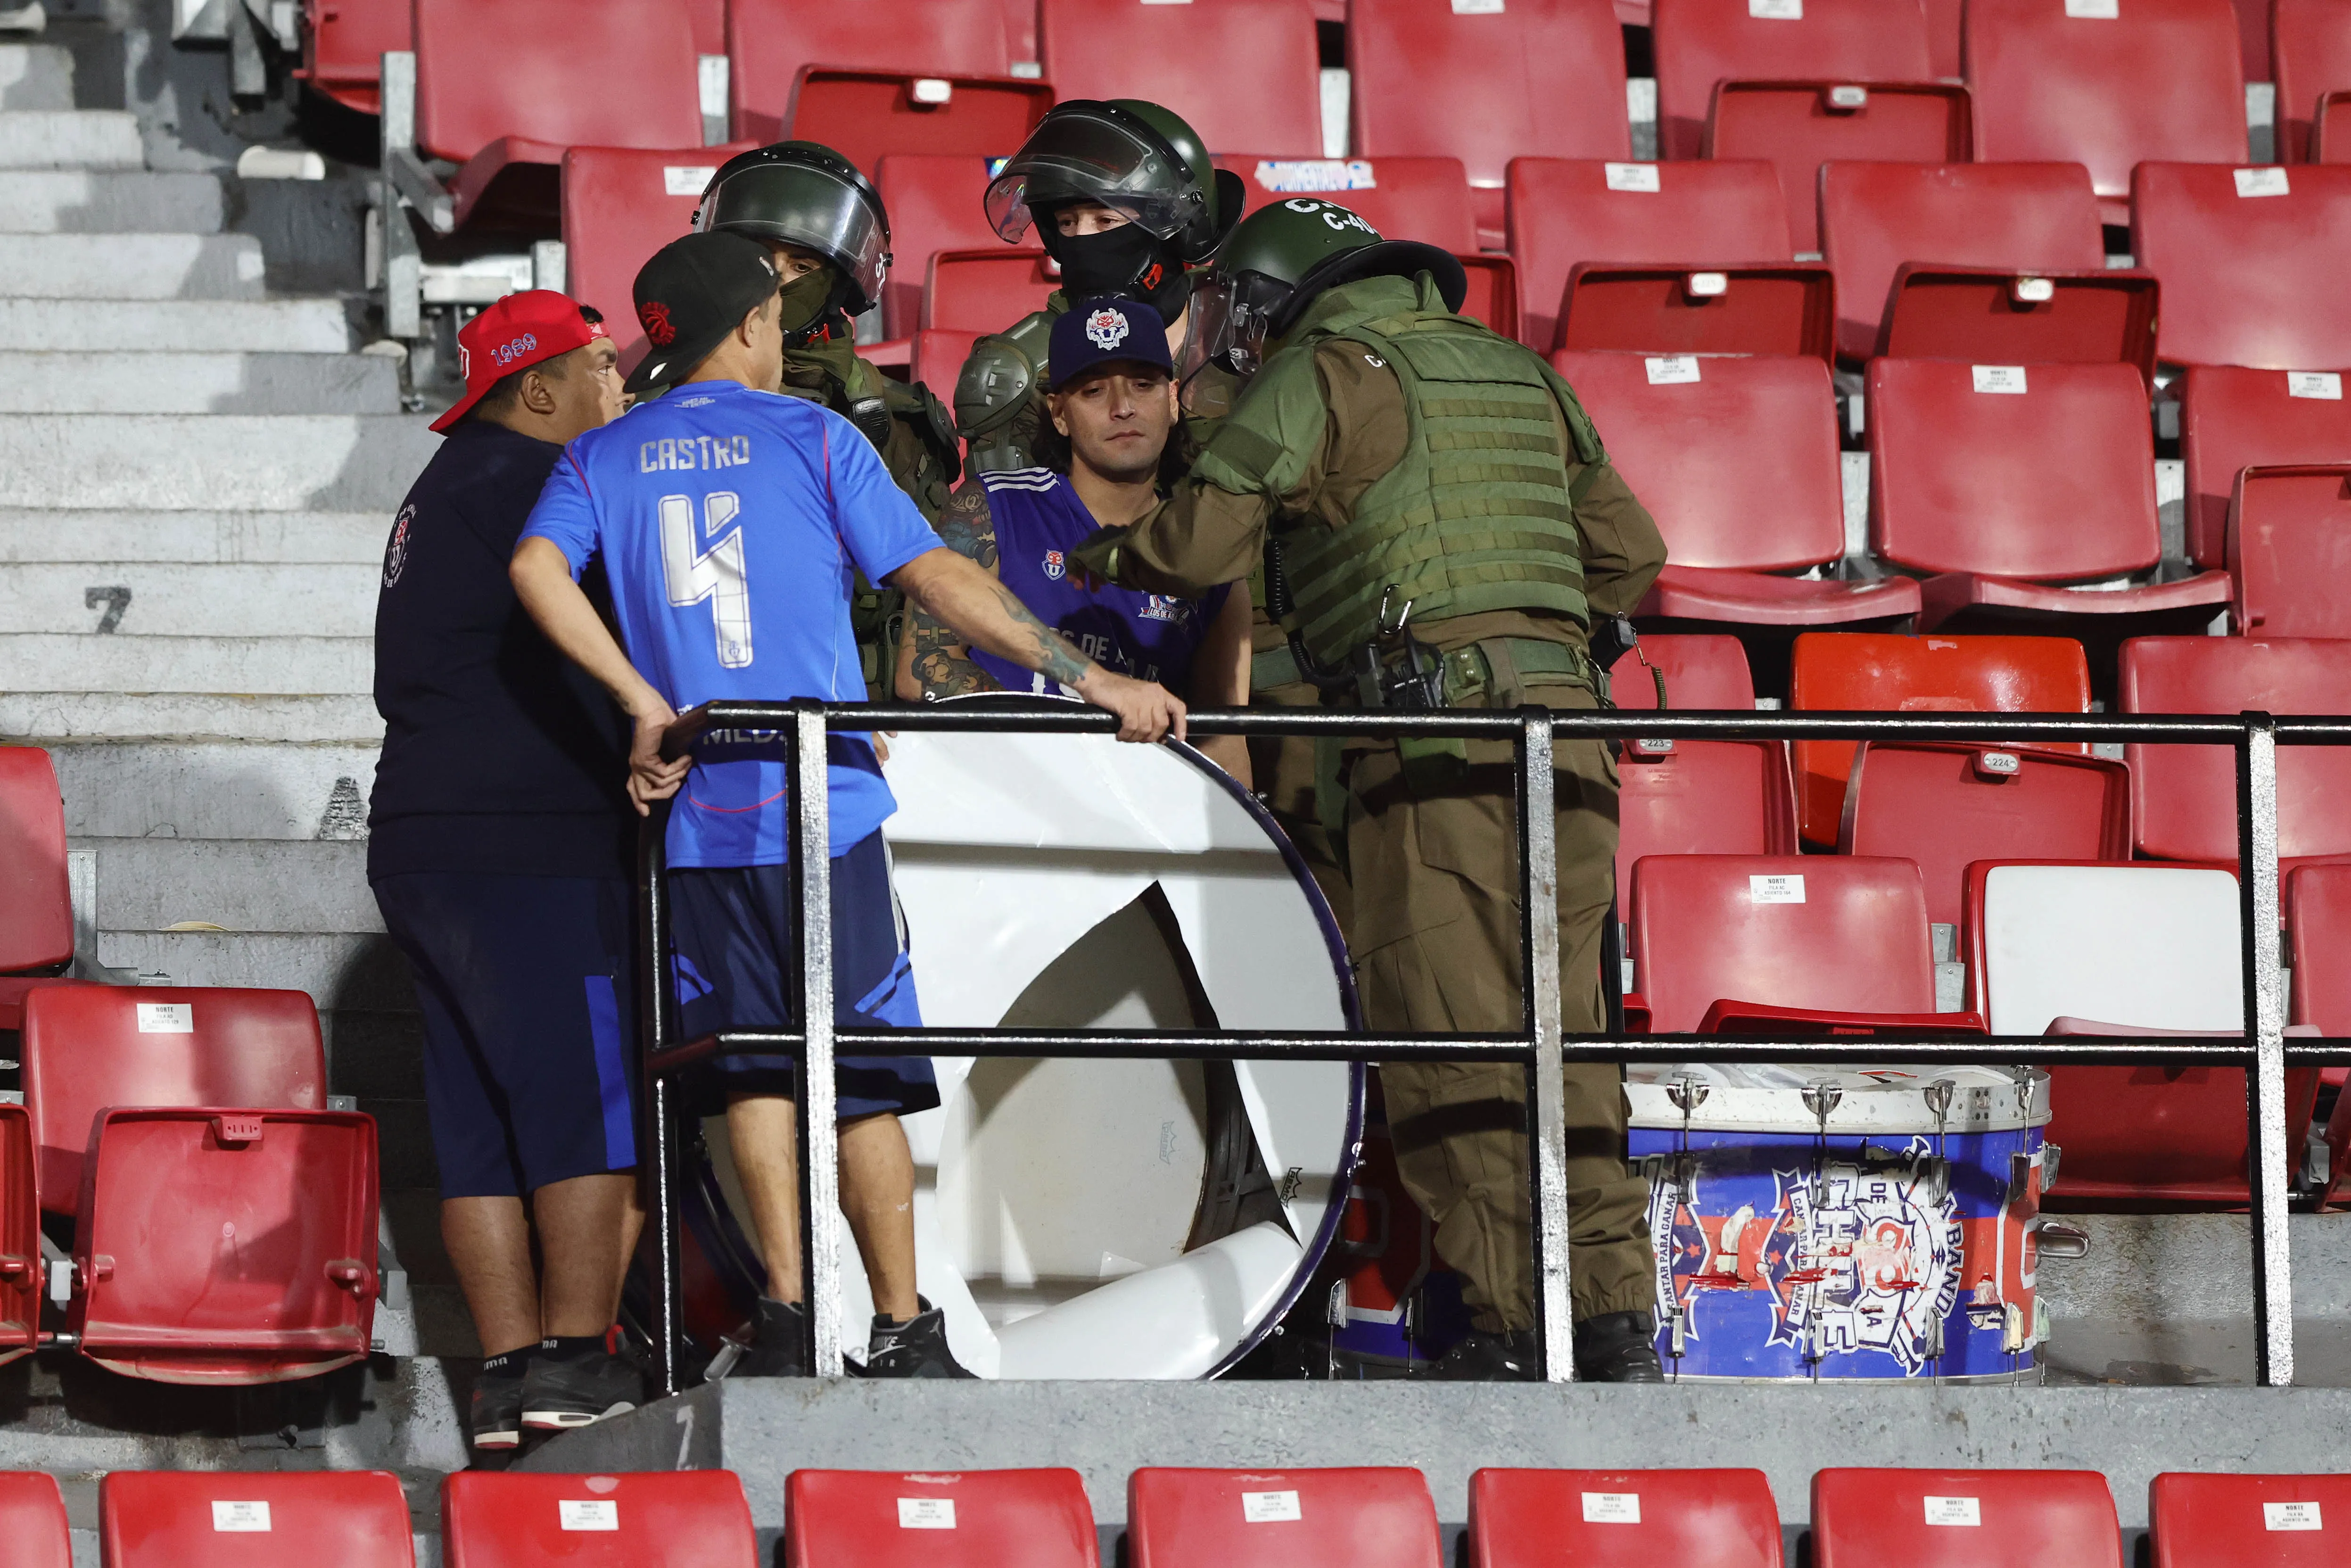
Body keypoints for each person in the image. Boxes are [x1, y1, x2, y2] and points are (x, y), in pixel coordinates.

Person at [511, 231, 1187, 1378]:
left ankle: (784, 1315)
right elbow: (937, 579)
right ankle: (897, 1321)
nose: (782, 334)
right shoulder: (816, 435)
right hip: (825, 806)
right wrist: (1096, 679)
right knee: (864, 1075)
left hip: (699, 820)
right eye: (772, 319)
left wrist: (640, 700)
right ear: (747, 328)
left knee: (752, 1070)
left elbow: (533, 570)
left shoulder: (605, 455)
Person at [1068, 198, 1672, 1382]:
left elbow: (1198, 546)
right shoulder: (1518, 369)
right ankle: (1606, 1313)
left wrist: (1094, 561)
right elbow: (1631, 556)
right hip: (1573, 741)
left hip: (1434, 740)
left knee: (1454, 1035)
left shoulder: (1323, 370)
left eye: (1240, 309)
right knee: (1568, 1035)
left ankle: (1510, 1325)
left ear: (1281, 297)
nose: (1235, 333)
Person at [367, 290, 647, 1447]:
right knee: (589, 1095)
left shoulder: (442, 491)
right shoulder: (536, 486)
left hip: (425, 835)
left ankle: (507, 1374)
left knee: (476, 1118)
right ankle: (578, 1362)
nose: (618, 389)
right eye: (598, 370)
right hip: (526, 835)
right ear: (538, 390)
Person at [903, 296, 1253, 783]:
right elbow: (922, 667)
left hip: (1142, 810)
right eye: (1093, 391)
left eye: (1143, 385)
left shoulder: (1208, 549)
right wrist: (1066, 743)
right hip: (997, 793)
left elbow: (1224, 740)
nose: (1123, 407)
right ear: (1059, 413)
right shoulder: (992, 505)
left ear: (1174, 399)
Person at [680, 140, 963, 701]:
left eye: (803, 265)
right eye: (759, 258)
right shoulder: (665, 408)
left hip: (862, 713)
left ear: (842, 280)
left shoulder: (897, 419)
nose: (778, 280)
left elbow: (928, 596)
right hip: (703, 699)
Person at [952, 98, 1243, 473]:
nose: (1082, 239)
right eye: (1068, 223)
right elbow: (1014, 522)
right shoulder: (1021, 372)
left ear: (1173, 229)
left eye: (1105, 221)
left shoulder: (1245, 336)